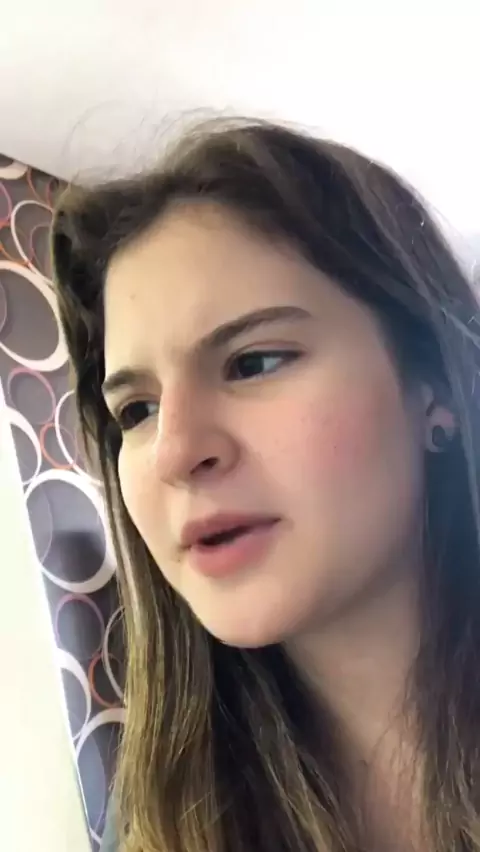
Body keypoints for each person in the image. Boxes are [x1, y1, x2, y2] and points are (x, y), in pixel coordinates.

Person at [51, 119, 480, 852]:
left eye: (253, 363)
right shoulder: (156, 827)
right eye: (137, 411)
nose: (174, 452)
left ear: (433, 387)